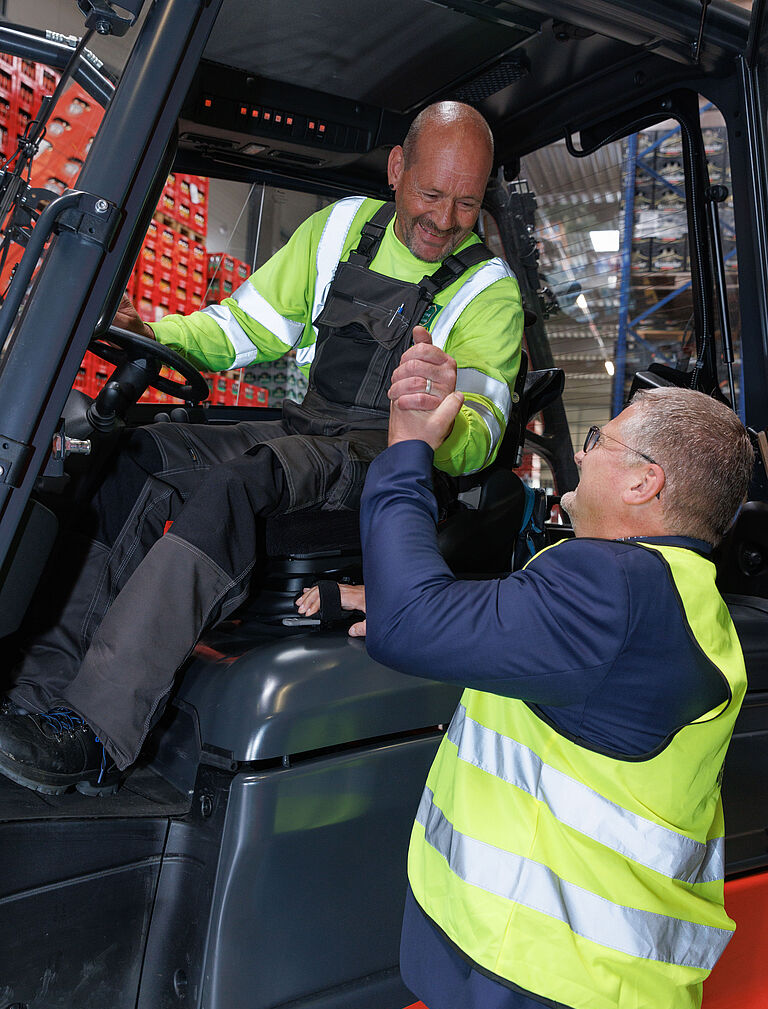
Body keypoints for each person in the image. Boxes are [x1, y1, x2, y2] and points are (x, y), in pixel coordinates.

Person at [0, 101, 523, 794]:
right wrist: (158, 335)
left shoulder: (491, 291)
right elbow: (245, 328)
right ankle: (40, 693)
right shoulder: (338, 228)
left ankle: (99, 732)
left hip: (395, 456)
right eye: (430, 194)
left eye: (466, 202)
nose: (445, 219)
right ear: (398, 169)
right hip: (308, 424)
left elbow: (481, 435)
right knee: (136, 455)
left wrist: (436, 413)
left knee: (242, 481)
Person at [359, 377, 754, 1009]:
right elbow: (518, 628)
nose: (585, 452)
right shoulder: (662, 590)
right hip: (574, 973)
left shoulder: (619, 590)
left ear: (642, 483)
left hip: (560, 984)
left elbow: (410, 627)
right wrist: (421, 599)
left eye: (601, 440)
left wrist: (407, 452)